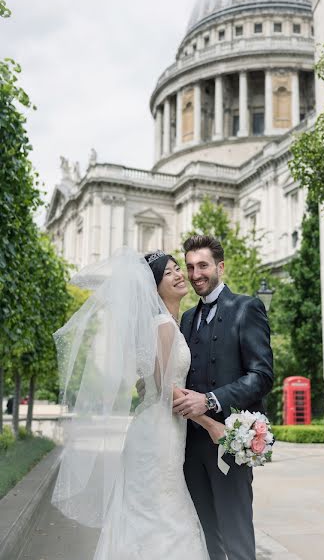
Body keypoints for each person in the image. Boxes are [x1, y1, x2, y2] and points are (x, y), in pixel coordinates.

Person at [51, 248, 223, 560]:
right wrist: (212, 425)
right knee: (162, 512)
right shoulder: (163, 325)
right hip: (158, 434)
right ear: (153, 287)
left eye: (176, 269)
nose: (179, 275)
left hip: (161, 429)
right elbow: (167, 391)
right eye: (169, 272)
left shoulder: (167, 323)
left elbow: (150, 384)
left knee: (153, 510)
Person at [173, 235, 274, 560]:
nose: (195, 273)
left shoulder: (247, 307)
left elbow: (261, 376)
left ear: (220, 266)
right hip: (189, 446)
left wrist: (211, 400)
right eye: (189, 267)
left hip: (230, 442)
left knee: (236, 536)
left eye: (202, 265)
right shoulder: (186, 318)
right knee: (207, 536)